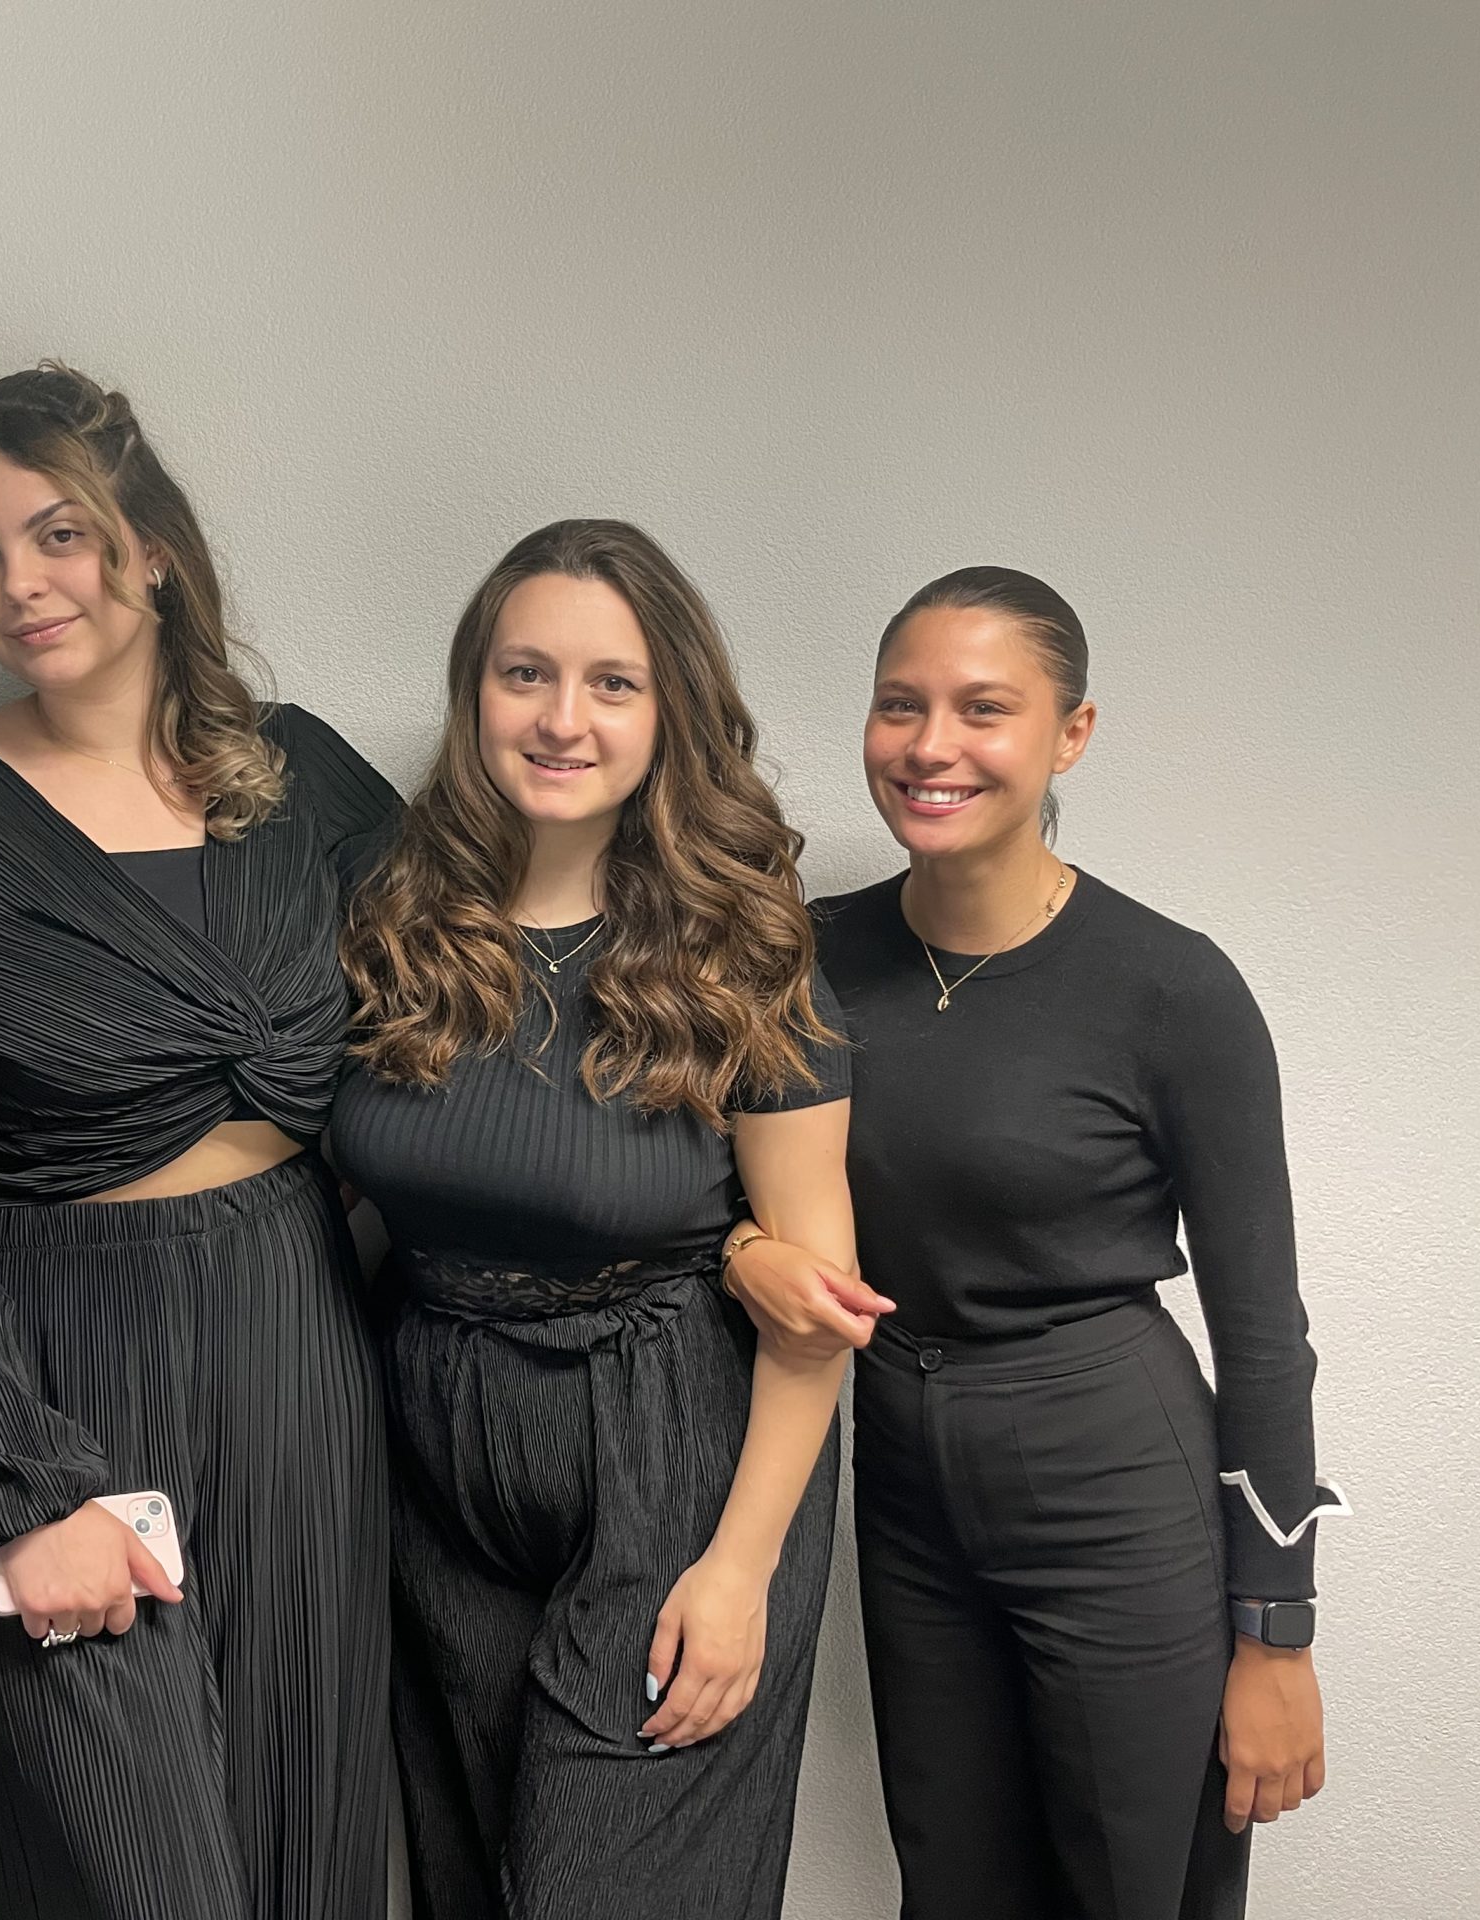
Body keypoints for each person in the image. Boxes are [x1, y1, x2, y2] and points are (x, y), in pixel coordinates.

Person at [0, 363, 397, 1920]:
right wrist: (23, 1482)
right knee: (128, 1875)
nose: (18, 586)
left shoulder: (302, 776)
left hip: (298, 1346)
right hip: (54, 1368)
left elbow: (476, 1003)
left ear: (149, 545)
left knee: (307, 1848)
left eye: (58, 534)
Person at [332, 519, 874, 1919]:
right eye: (526, 674)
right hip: (432, 1448)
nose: (561, 719)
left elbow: (819, 1307)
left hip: (670, 1455)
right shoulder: (391, 914)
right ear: (475, 690)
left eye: (612, 683)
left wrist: (741, 1573)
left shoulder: (744, 945)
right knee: (474, 1880)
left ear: (669, 709)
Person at [797, 565, 1346, 1920]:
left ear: (1071, 734)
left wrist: (1277, 1633)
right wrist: (756, 1251)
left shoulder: (1171, 988)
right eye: (900, 705)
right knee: (954, 1883)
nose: (932, 745)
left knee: (1133, 1887)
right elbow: (732, 1183)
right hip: (904, 1477)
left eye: (985, 708)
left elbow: (1265, 1336)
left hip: (1111, 1480)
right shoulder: (808, 957)